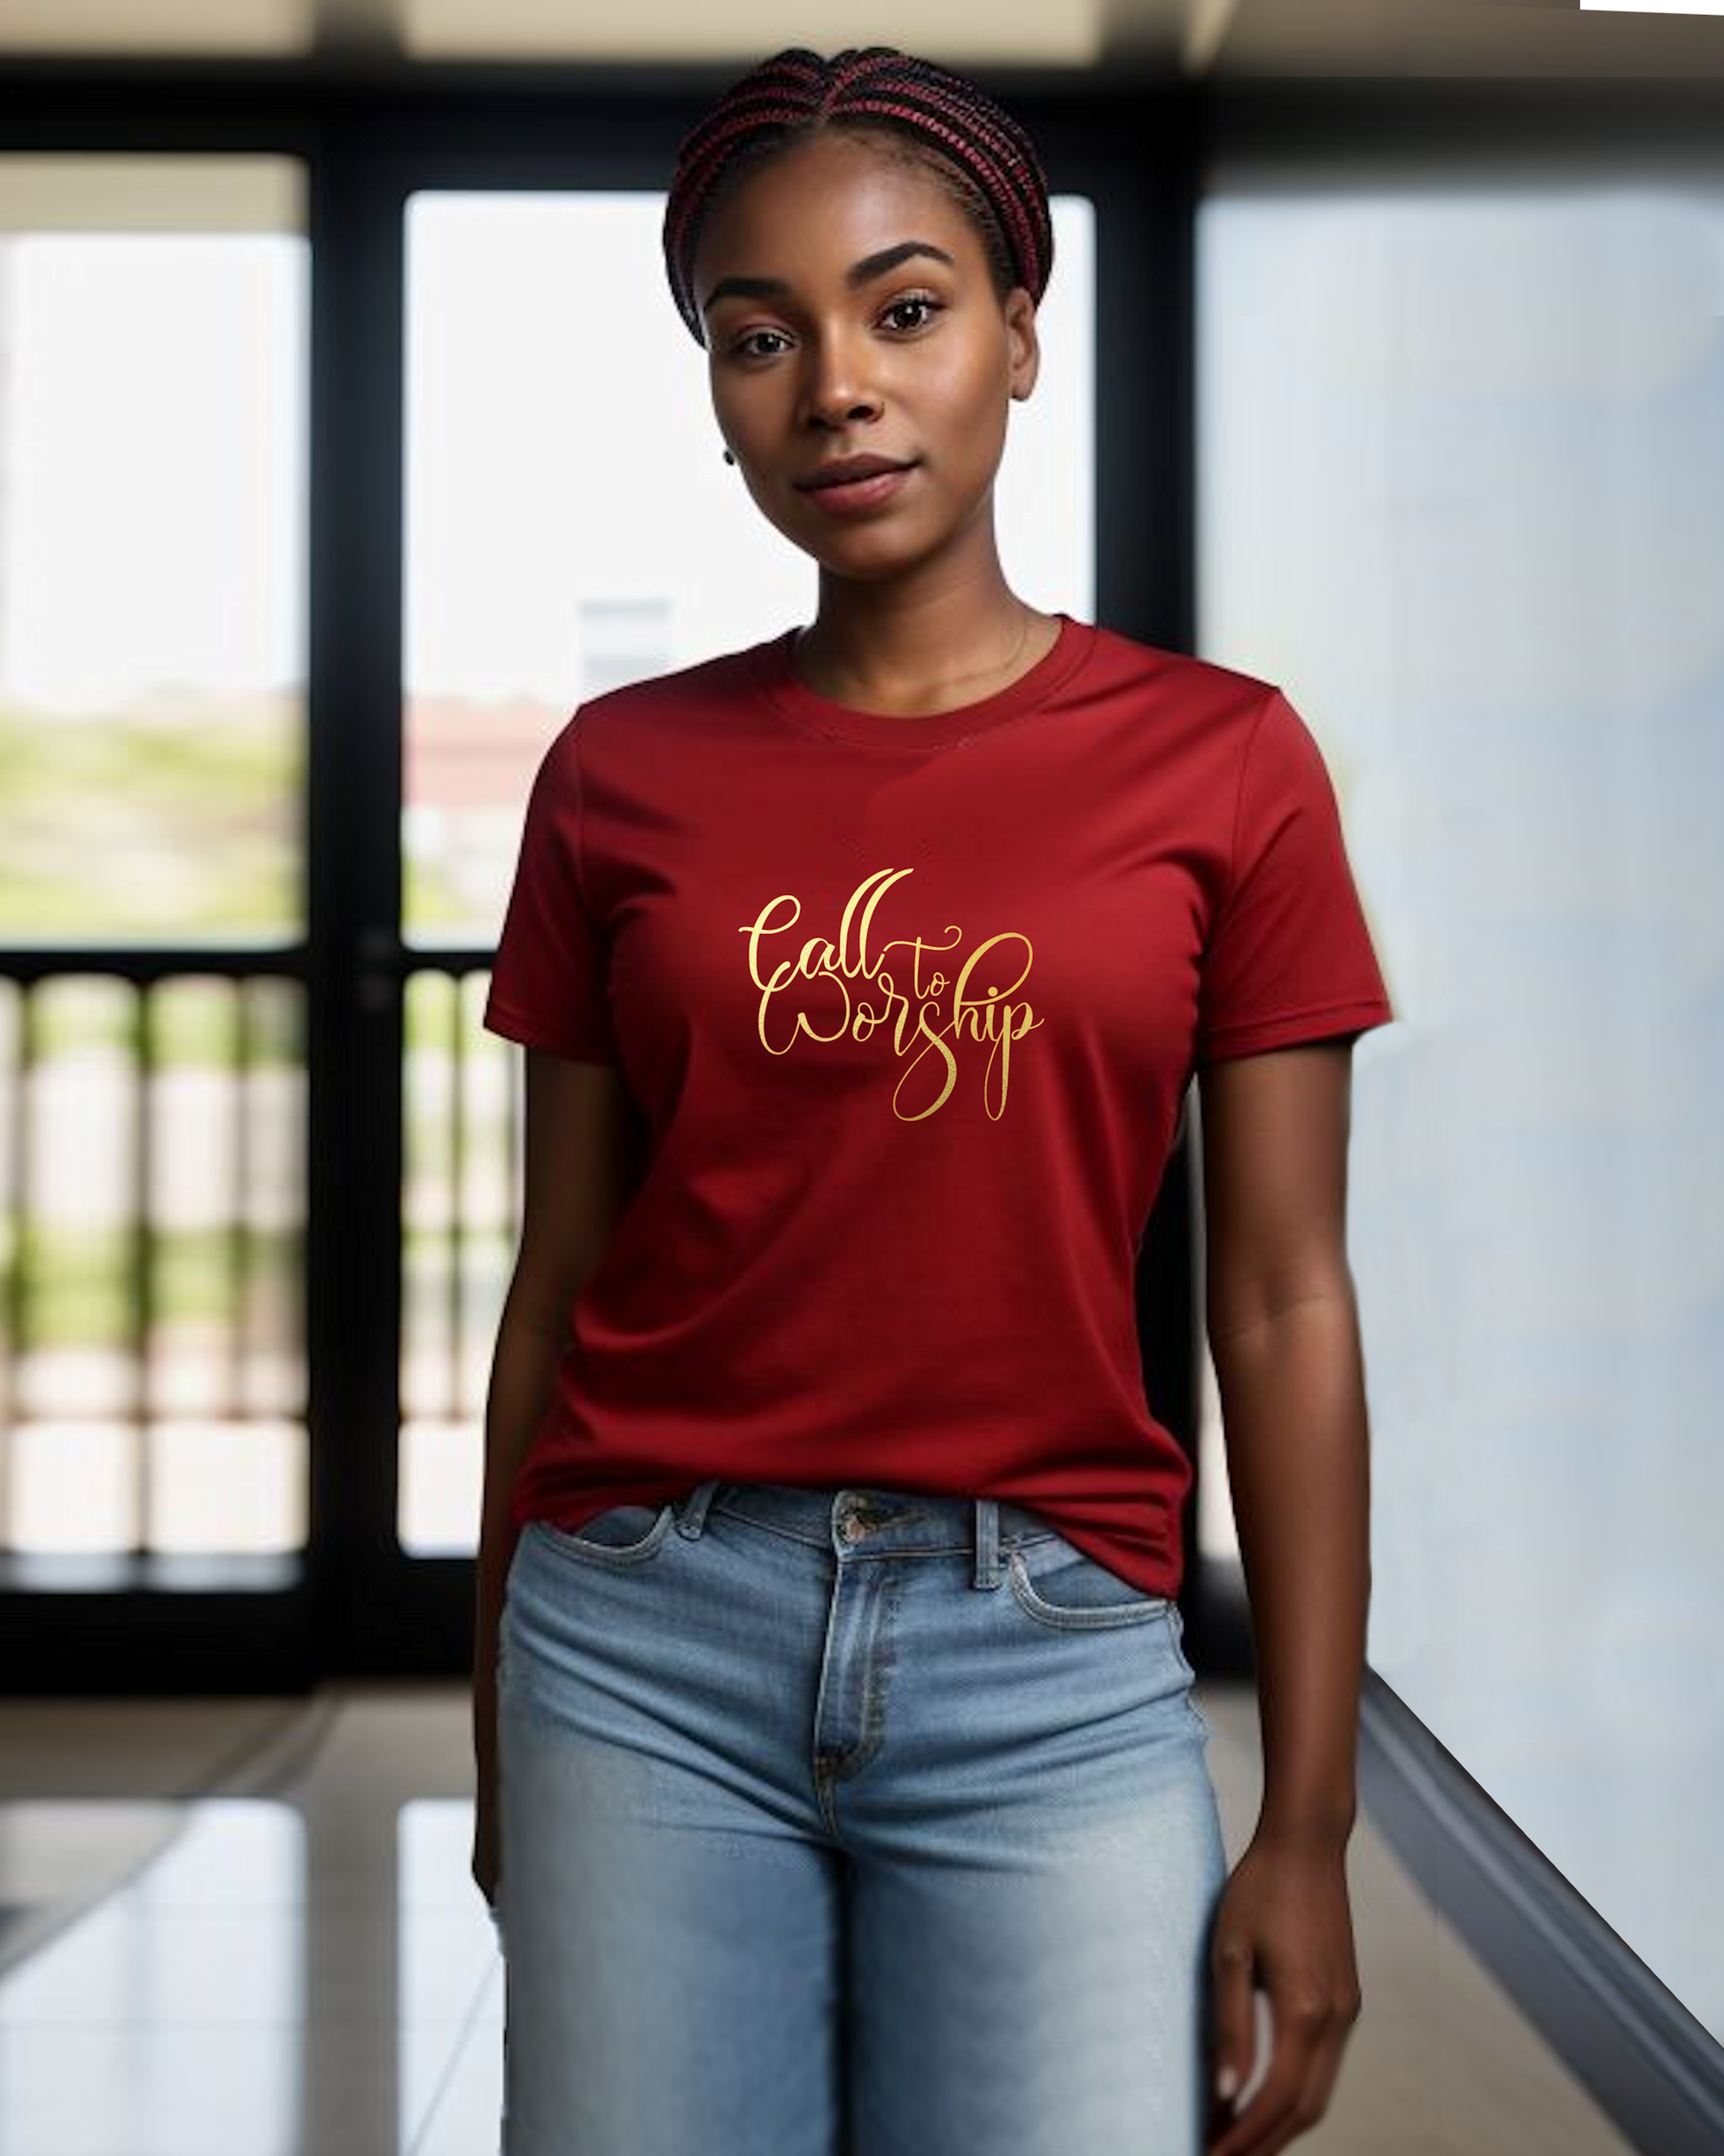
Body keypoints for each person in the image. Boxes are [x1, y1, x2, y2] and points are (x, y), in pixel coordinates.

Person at [470, 43, 1391, 2156]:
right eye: (757, 336)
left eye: (904, 309)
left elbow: (1283, 1301)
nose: (835, 389)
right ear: (714, 393)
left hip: (1049, 1657)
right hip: (639, 1639)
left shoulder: (1224, 763)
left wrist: (1312, 1823)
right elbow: (558, 1284)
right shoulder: (617, 774)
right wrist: (507, 1733)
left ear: (1019, 339)